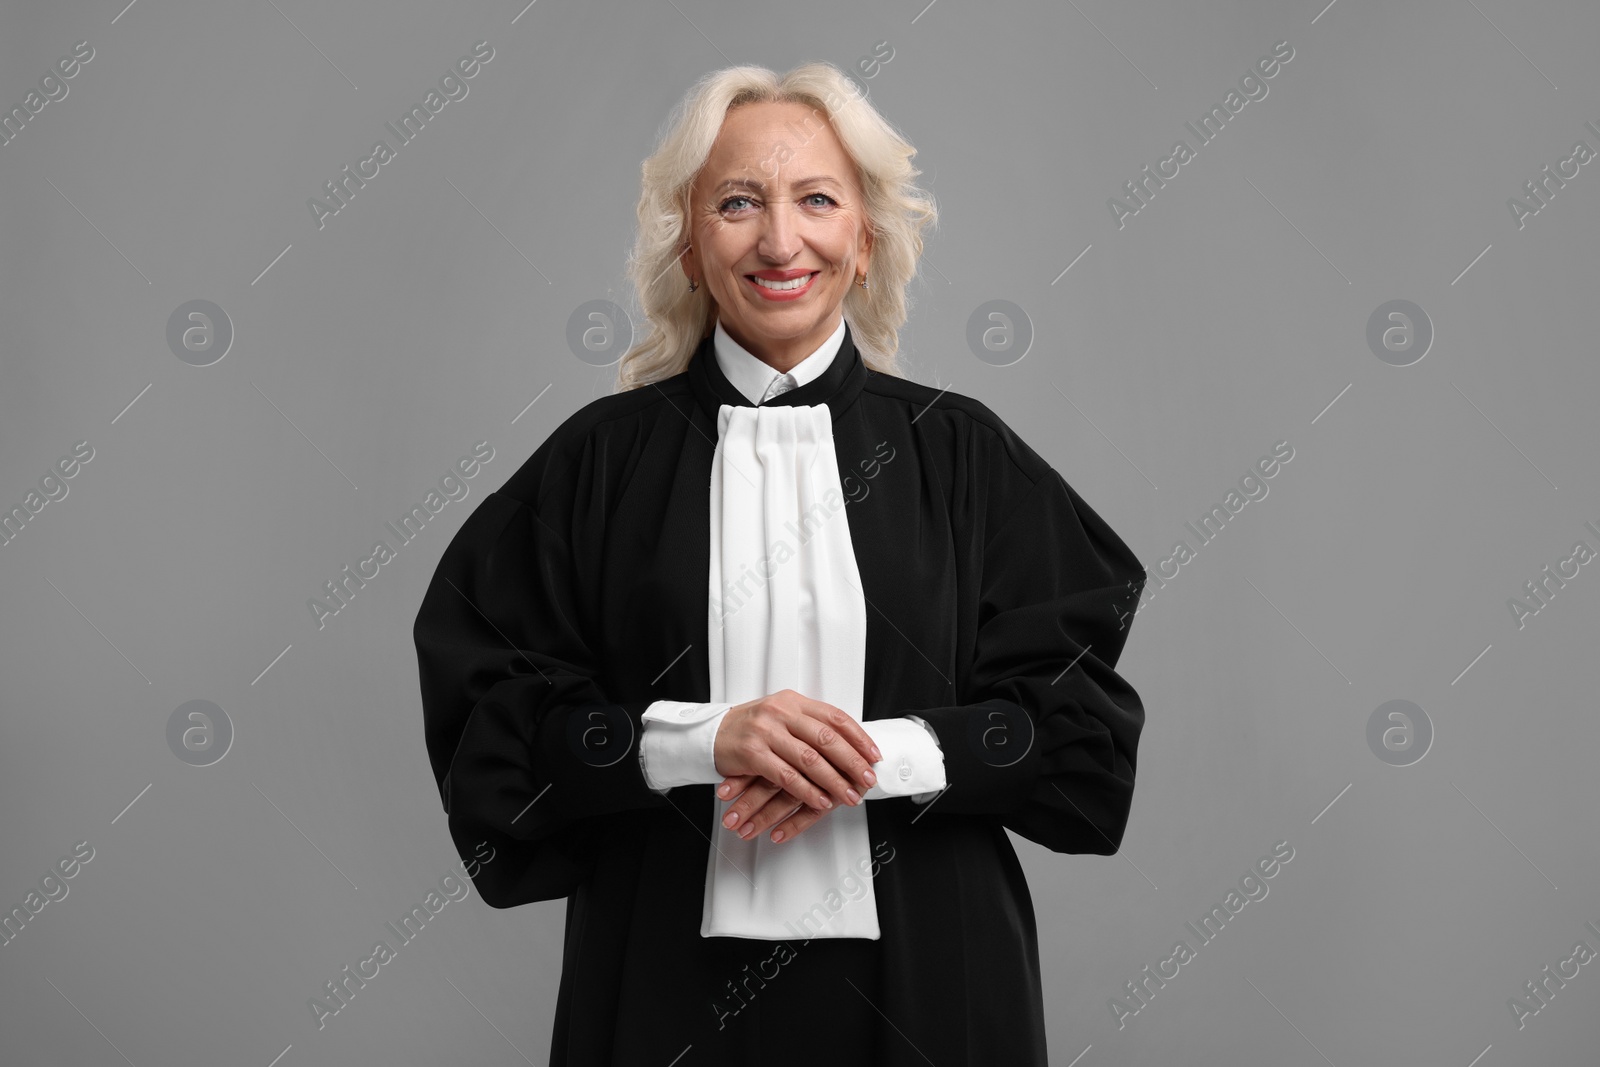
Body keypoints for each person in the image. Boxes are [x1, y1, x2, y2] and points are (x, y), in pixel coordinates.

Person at [413, 60, 1147, 1067]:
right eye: (737, 202)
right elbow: (498, 737)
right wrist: (702, 740)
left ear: (865, 238)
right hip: (662, 981)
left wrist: (864, 756)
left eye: (815, 199)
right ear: (688, 239)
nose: (778, 239)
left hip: (933, 984)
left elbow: (1074, 737)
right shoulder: (597, 462)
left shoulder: (965, 455)